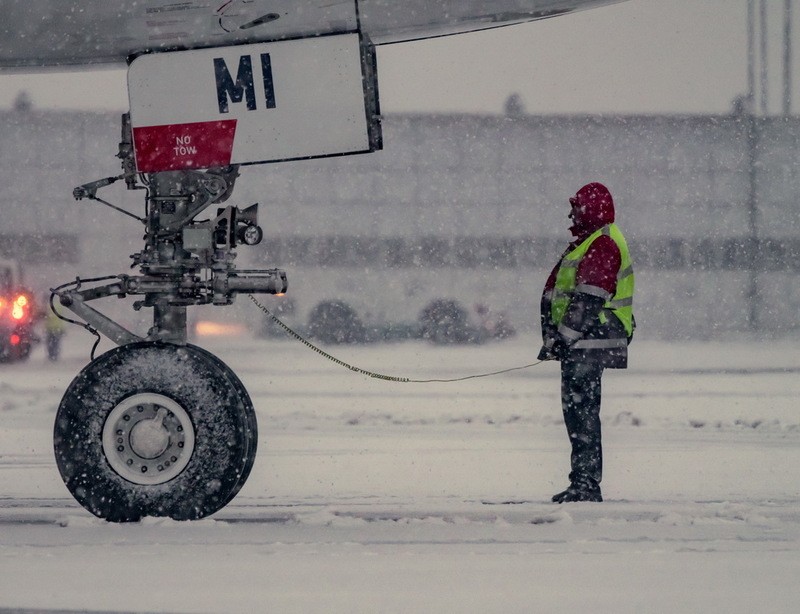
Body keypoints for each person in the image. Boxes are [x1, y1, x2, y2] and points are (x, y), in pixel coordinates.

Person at [538, 182, 635, 503]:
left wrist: (563, 338)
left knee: (581, 414)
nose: (571, 214)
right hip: (585, 342)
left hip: (589, 342)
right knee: (580, 413)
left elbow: (588, 299)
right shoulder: (593, 242)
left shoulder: (602, 244)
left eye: (576, 207)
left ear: (589, 209)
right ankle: (583, 482)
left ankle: (585, 484)